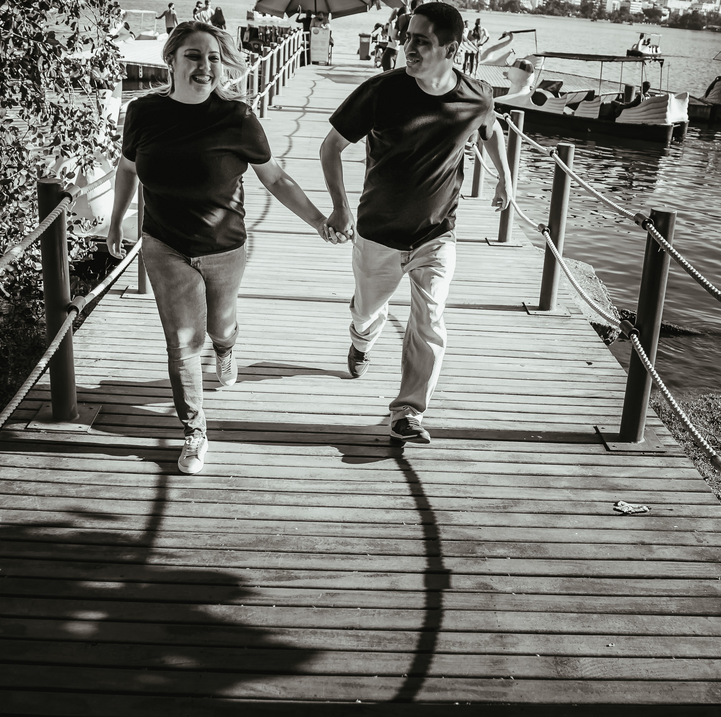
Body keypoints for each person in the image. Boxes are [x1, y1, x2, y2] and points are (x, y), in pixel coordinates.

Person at [107, 21, 337, 474]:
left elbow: (275, 178)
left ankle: (227, 347)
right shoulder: (143, 112)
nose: (205, 65)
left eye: (213, 57)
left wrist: (318, 221)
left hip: (224, 247)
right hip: (164, 245)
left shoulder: (237, 118)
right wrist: (116, 222)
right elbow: (128, 168)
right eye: (194, 55)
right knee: (183, 343)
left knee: (220, 326)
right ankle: (194, 430)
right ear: (171, 60)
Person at [319, 2, 512, 446]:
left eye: (421, 41)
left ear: (451, 49)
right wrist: (341, 208)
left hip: (436, 234)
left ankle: (408, 411)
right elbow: (331, 147)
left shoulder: (477, 96)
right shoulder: (381, 91)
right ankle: (361, 339)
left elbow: (492, 129)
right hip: (377, 233)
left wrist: (506, 177)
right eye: (407, 37)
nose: (408, 47)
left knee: (429, 320)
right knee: (367, 311)